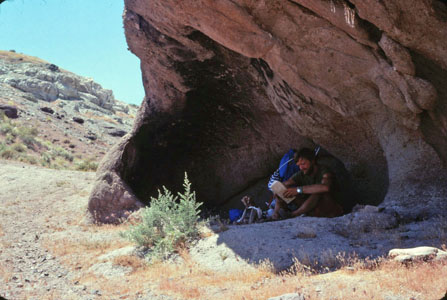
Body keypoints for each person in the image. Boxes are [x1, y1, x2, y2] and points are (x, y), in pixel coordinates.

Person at [272, 147, 343, 219]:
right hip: (312, 209)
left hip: (330, 209)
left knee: (317, 192)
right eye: (299, 165)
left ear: (312, 161)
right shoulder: (301, 174)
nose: (301, 168)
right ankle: (276, 216)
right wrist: (278, 190)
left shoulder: (324, 171)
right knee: (284, 190)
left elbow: (325, 188)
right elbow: (285, 184)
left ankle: (293, 215)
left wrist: (298, 190)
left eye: (303, 164)